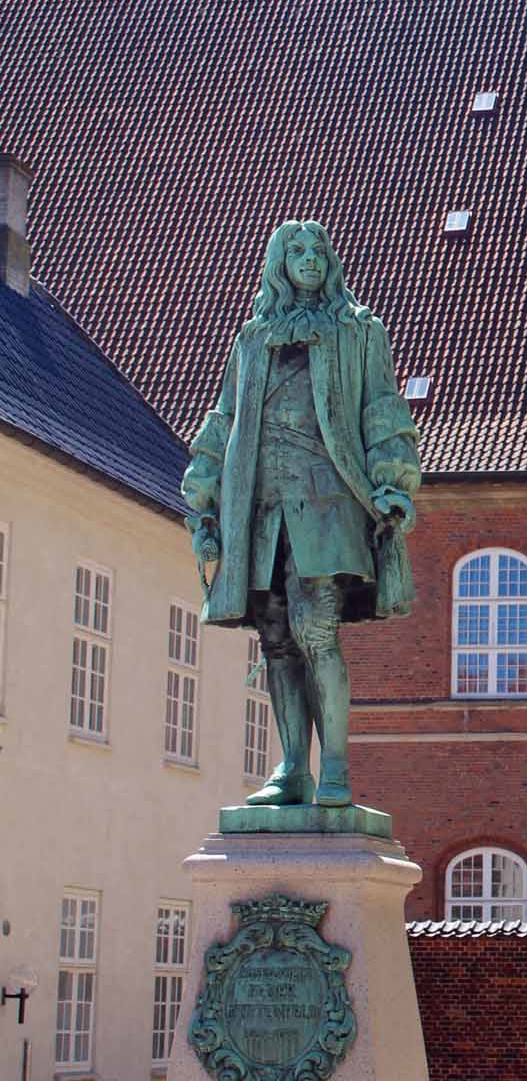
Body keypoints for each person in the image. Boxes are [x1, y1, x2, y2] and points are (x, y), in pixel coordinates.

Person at [182, 220, 420, 808]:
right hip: (261, 508)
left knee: (317, 633)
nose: (310, 260)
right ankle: (292, 767)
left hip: (327, 502)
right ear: (278, 263)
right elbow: (225, 418)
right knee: (276, 640)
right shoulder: (253, 337)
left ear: (332, 261)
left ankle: (334, 766)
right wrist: (203, 480)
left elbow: (383, 410)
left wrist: (392, 481)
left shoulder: (359, 331)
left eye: (319, 250)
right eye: (297, 251)